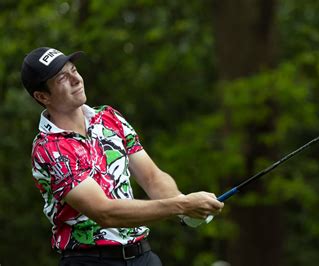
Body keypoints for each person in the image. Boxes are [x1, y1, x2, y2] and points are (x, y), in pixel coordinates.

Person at [21, 47, 224, 265]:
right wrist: (182, 205)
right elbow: (104, 213)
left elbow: (152, 178)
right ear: (43, 96)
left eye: (74, 70)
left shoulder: (109, 117)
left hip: (143, 256)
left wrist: (184, 210)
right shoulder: (49, 148)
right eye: (62, 77)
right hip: (90, 260)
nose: (76, 79)